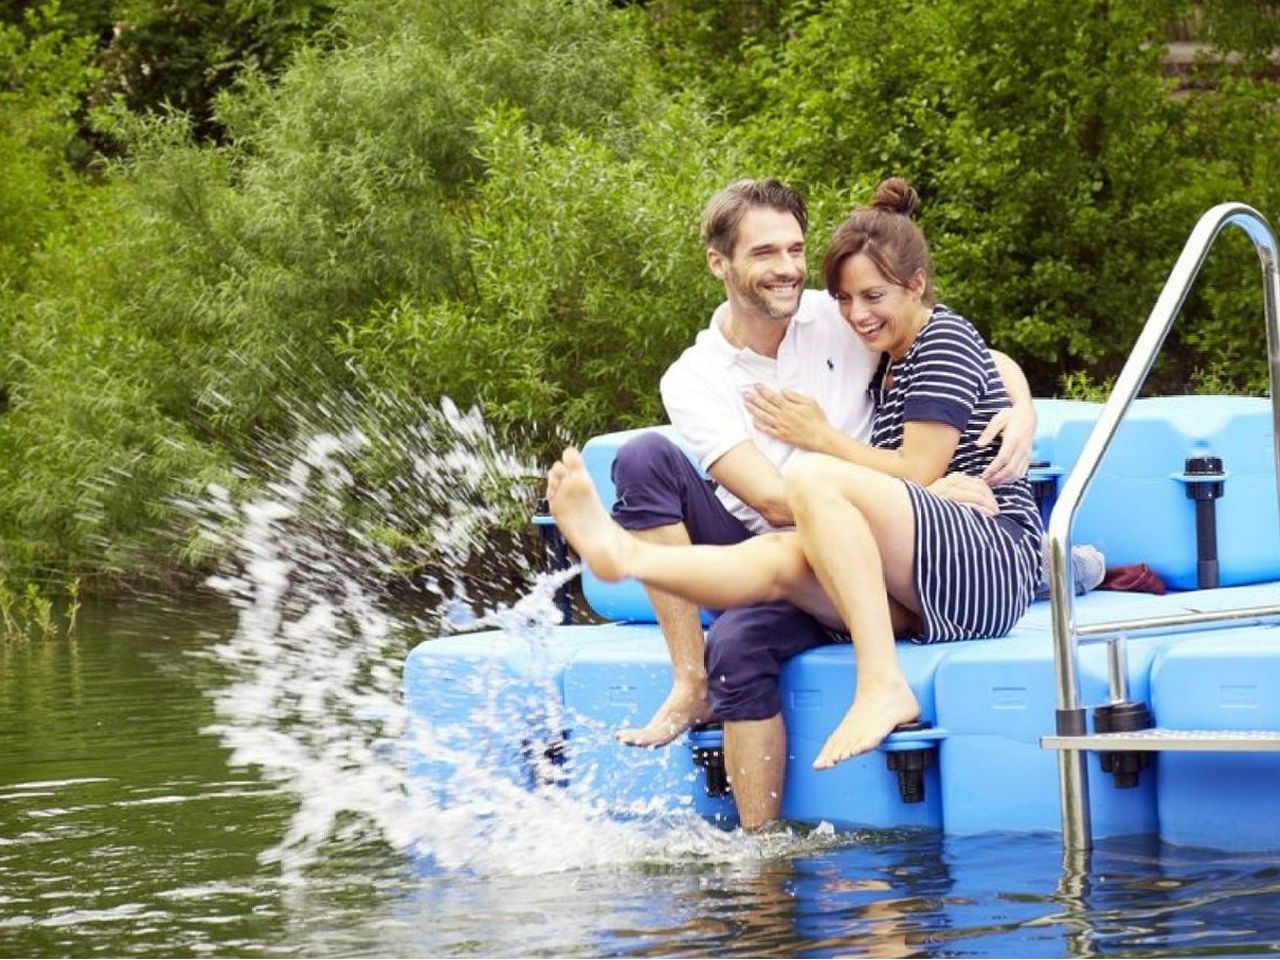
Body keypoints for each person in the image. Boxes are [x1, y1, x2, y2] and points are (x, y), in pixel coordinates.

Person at [594, 177, 1037, 828]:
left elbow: (963, 346)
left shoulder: (837, 316)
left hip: (863, 546)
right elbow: (776, 502)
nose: (788, 269)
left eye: (795, 250)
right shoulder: (694, 377)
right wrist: (908, 491)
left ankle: (764, 862)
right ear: (720, 263)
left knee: (741, 646)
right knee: (641, 459)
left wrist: (1020, 410)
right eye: (766, 253)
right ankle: (690, 687)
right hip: (766, 544)